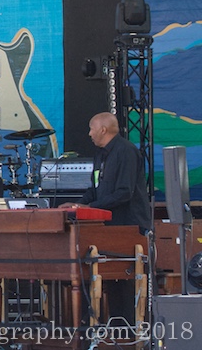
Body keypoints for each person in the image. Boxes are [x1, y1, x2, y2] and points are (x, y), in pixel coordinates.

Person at [62, 112, 151, 324]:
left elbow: (124, 192)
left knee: (126, 281)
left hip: (128, 226)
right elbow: (95, 189)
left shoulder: (126, 152)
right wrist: (77, 205)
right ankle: (114, 329)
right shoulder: (101, 155)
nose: (89, 133)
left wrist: (90, 207)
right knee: (112, 280)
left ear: (103, 129)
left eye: (91, 128)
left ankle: (130, 333)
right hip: (108, 228)